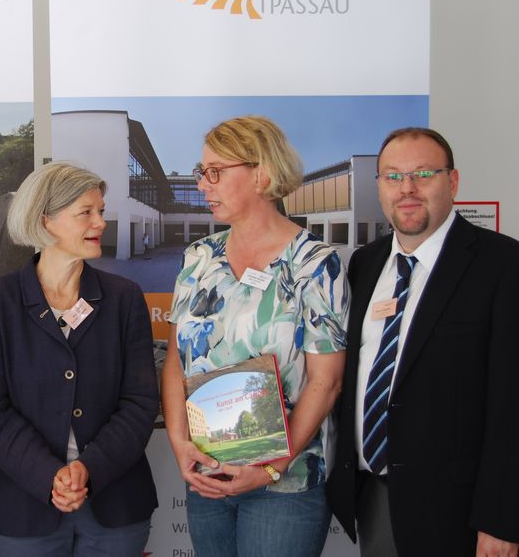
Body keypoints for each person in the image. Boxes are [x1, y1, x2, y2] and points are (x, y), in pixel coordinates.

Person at [326, 128, 519, 556]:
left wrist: (502, 519)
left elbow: (512, 407)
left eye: (423, 174)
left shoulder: (503, 265)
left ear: (452, 182)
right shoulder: (365, 263)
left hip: (462, 510)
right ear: (378, 187)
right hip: (374, 497)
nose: (407, 189)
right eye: (393, 176)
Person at [161, 116, 347, 557]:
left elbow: (327, 382)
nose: (204, 185)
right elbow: (174, 361)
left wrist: (269, 470)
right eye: (200, 172)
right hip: (207, 475)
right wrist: (179, 442)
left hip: (285, 483)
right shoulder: (198, 257)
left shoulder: (314, 264)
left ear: (262, 173)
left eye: (215, 172)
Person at [0, 162, 159, 556]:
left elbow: (139, 403)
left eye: (101, 211)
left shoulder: (124, 297)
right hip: (24, 509)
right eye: (85, 212)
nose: (101, 223)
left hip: (115, 506)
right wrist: (49, 476)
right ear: (46, 221)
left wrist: (88, 470)